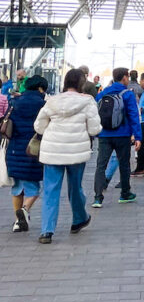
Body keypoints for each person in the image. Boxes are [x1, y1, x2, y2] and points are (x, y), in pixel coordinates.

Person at [33, 69, 101, 244]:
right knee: (75, 188)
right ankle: (79, 219)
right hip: (76, 152)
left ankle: (46, 231)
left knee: (50, 190)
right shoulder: (87, 102)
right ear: (81, 83)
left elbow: (39, 126)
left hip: (52, 151)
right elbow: (94, 129)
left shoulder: (51, 101)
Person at [92, 67, 142, 208]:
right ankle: (125, 194)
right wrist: (137, 136)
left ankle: (97, 198)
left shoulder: (103, 93)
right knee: (124, 164)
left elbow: (95, 113)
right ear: (125, 77)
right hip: (123, 134)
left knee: (101, 165)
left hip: (104, 135)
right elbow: (133, 116)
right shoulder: (127, 94)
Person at [6, 76, 47, 233]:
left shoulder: (14, 102)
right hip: (34, 150)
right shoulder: (43, 105)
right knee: (34, 187)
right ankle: (24, 210)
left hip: (15, 150)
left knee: (17, 188)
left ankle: (18, 222)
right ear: (40, 89)